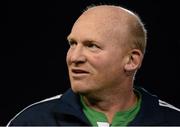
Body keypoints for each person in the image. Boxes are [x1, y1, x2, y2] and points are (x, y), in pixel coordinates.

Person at [7, 4, 180, 126]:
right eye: (72, 44)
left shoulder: (173, 121)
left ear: (131, 61)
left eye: (92, 46)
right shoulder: (31, 121)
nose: (74, 57)